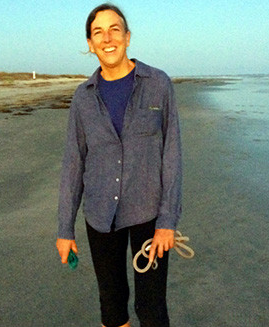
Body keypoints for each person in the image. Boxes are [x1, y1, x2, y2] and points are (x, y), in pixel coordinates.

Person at [55, 4, 182, 327]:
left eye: (114, 29)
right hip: (99, 215)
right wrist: (65, 229)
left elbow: (172, 154)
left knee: (151, 308)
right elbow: (73, 162)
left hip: (148, 214)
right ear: (90, 43)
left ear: (127, 37)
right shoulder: (83, 97)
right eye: (98, 32)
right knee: (111, 306)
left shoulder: (158, 84)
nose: (107, 38)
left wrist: (167, 220)